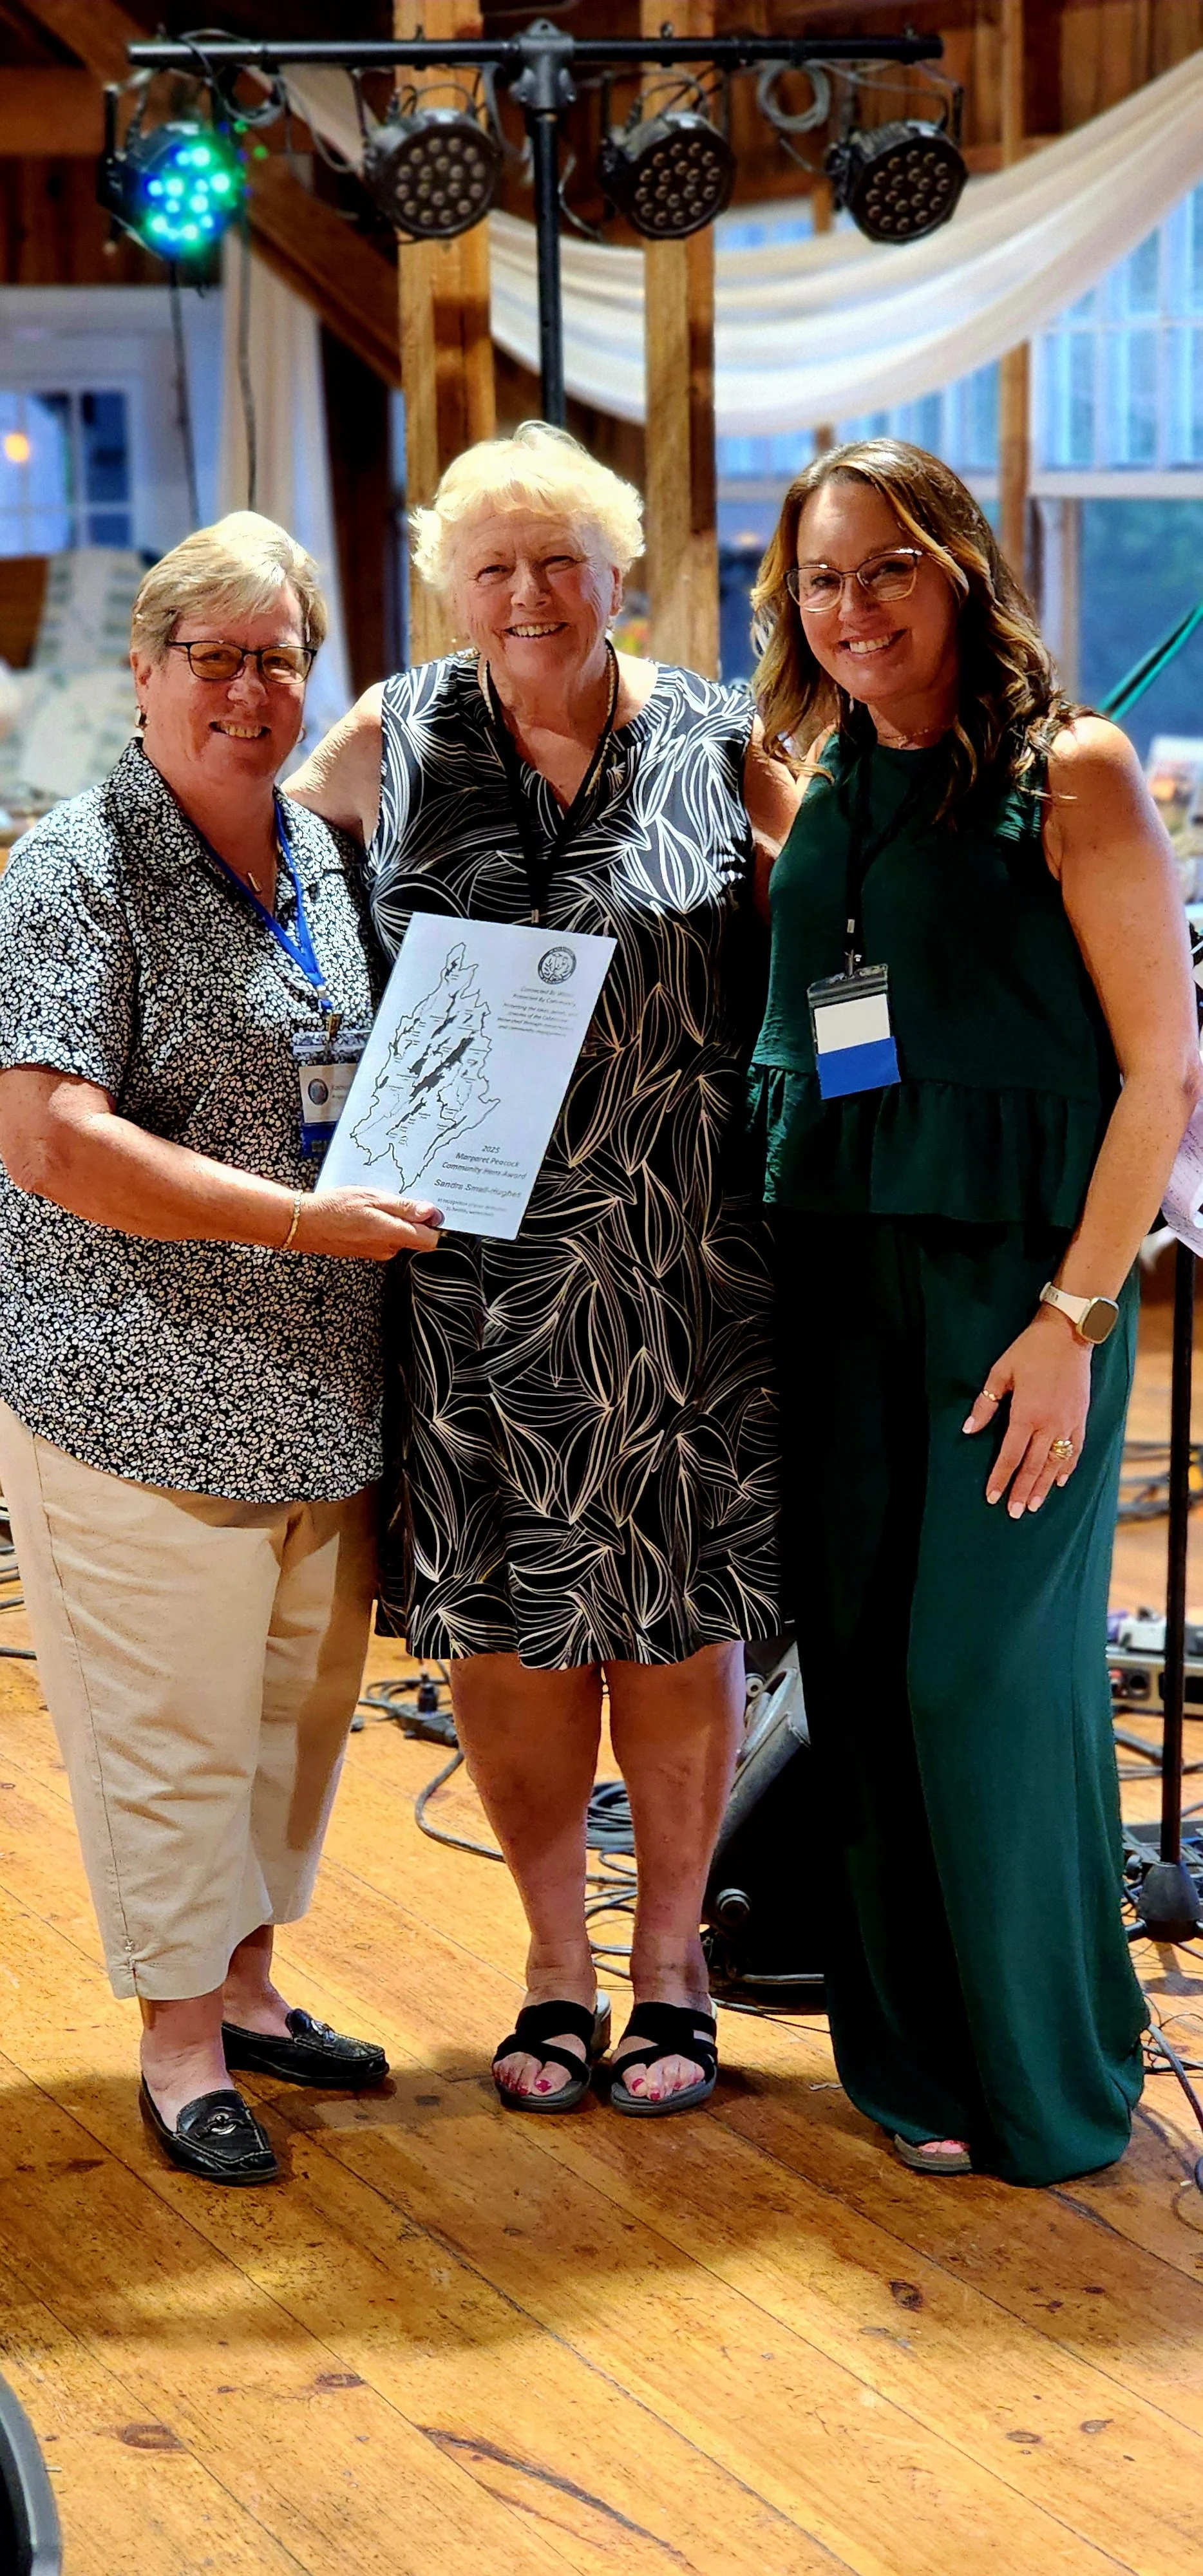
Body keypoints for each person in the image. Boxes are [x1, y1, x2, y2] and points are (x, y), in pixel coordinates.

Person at [289, 422, 799, 2115]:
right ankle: (552, 1963)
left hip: (683, 1272)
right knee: (509, 1626)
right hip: (467, 1274)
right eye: (492, 565)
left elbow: (848, 916)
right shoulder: (391, 737)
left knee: (677, 1623)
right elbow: (260, 907)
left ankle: (672, 1965)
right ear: (449, 583)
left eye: (559, 561)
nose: (527, 593)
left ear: (619, 574)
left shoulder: (718, 738)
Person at [747, 437, 1200, 2185]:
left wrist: (1075, 1318)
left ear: (960, 568)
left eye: (888, 566)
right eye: (821, 576)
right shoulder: (827, 777)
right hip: (837, 1286)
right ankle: (916, 2059)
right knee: (860, 1677)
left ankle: (1049, 2069)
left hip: (1021, 1293)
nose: (852, 605)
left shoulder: (1070, 774)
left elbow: (1159, 1073)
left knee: (978, 1679)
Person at [0, 513, 440, 2186]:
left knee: (287, 1729)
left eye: (280, 659)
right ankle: (180, 2047)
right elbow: (50, 1140)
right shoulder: (74, 868)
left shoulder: (316, 853)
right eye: (217, 657)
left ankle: (247, 1994)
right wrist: (298, 1222)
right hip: (132, 1390)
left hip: (316, 1387)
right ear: (146, 669)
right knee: (171, 1740)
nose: (250, 691)